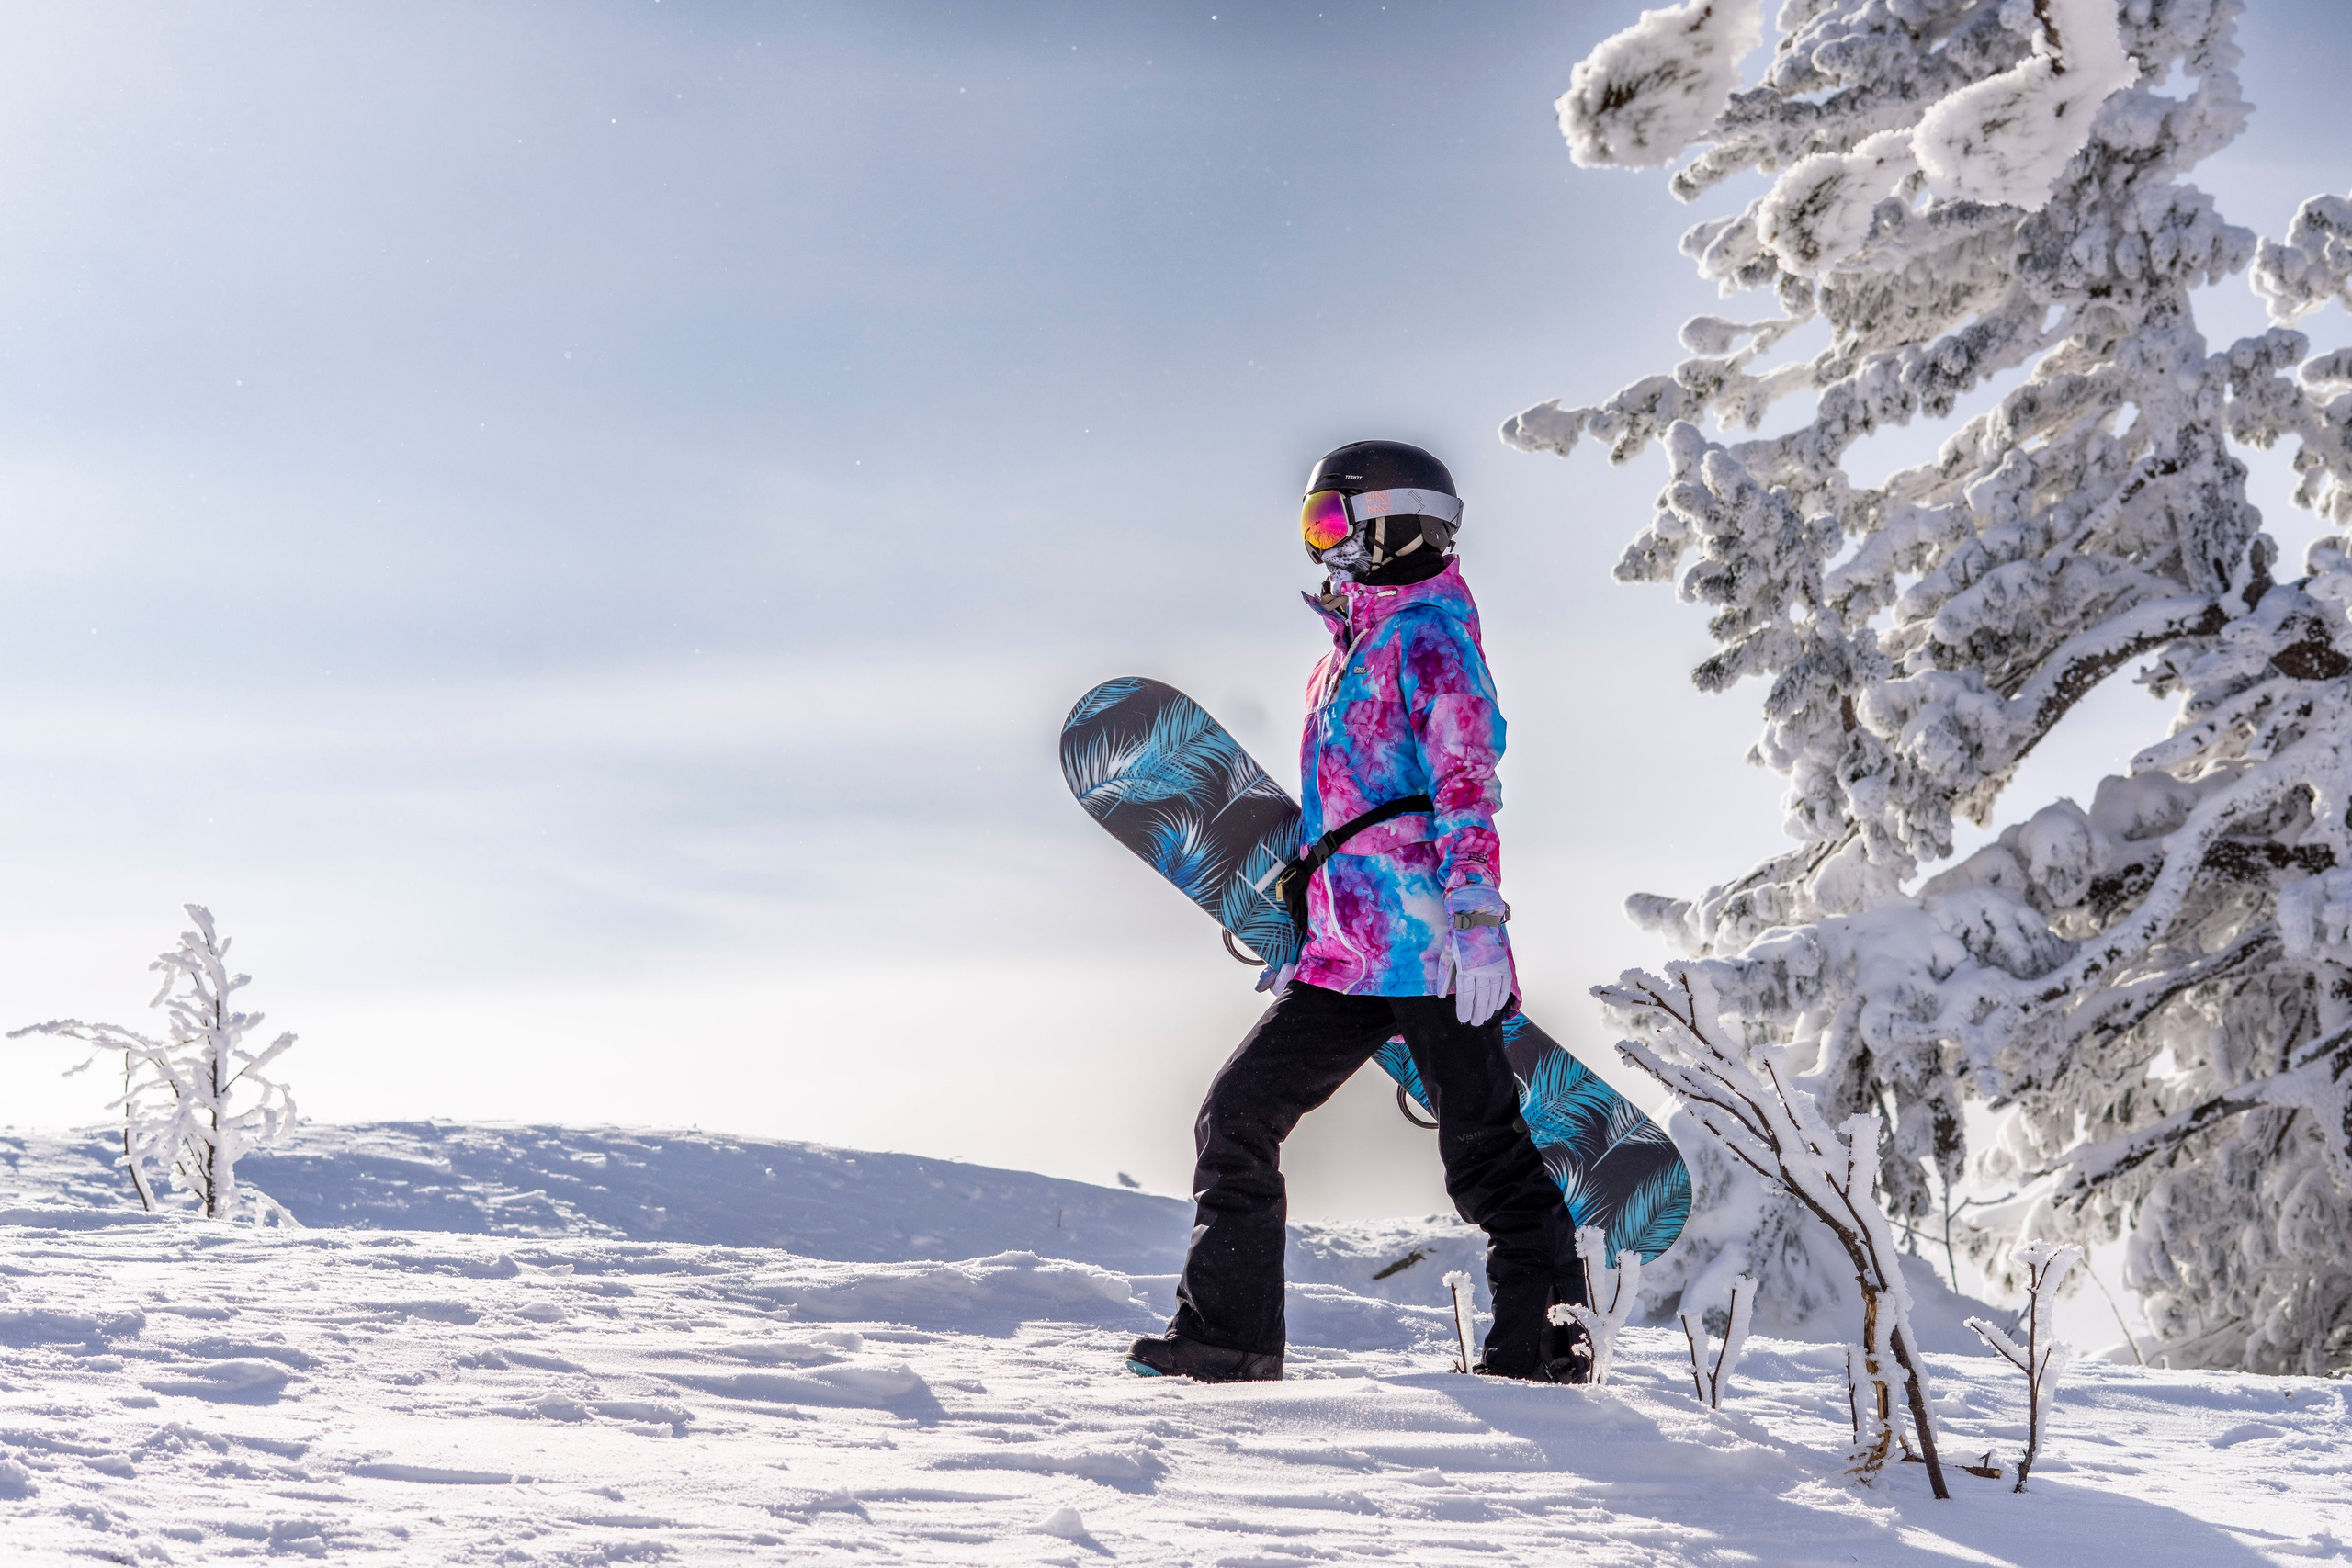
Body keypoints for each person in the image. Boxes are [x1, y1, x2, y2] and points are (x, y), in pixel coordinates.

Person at [1125, 439, 1590, 1385]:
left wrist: (1475, 914)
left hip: (1426, 950)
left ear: (1395, 525)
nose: (1322, 547)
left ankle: (1544, 1352)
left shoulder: (1430, 638)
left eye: (1333, 522)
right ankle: (1228, 1338)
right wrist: (1309, 920)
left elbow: (1464, 782)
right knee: (1237, 1116)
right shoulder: (1347, 649)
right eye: (1313, 526)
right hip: (1346, 953)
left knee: (1484, 1157)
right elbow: (1344, 807)